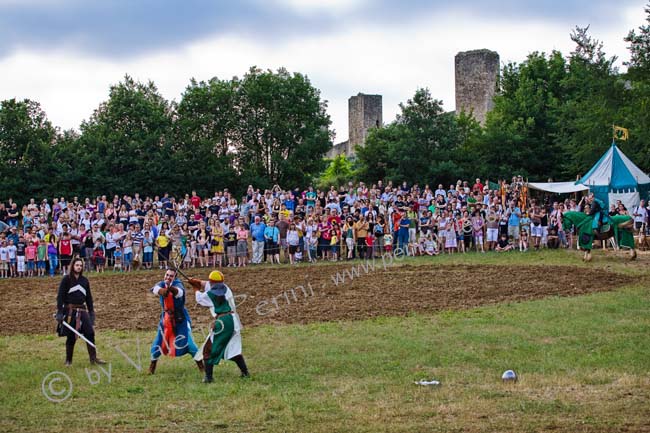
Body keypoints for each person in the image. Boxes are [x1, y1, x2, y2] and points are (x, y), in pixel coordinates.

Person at [189, 271, 249, 382]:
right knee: (231, 349)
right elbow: (208, 284)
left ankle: (208, 378)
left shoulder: (211, 294)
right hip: (233, 321)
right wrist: (197, 282)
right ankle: (245, 373)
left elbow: (200, 299)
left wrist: (195, 288)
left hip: (223, 322)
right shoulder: (226, 288)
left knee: (208, 349)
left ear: (211, 282)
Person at [148, 268, 203, 375]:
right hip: (166, 319)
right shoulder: (162, 283)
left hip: (180, 319)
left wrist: (172, 289)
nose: (168, 277)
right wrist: (162, 291)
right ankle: (152, 365)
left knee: (190, 345)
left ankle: (202, 367)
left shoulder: (178, 284)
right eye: (167, 275)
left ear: (175, 277)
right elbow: (154, 289)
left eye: (171, 276)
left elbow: (180, 293)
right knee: (158, 343)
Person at [55, 257, 105, 366]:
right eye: (77, 265)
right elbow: (60, 297)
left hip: (82, 310)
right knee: (71, 335)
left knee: (90, 333)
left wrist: (91, 313)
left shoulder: (84, 280)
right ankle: (68, 361)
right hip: (70, 311)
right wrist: (59, 311)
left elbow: (89, 298)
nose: (79, 267)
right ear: (73, 266)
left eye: (80, 266)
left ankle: (93, 358)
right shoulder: (66, 279)